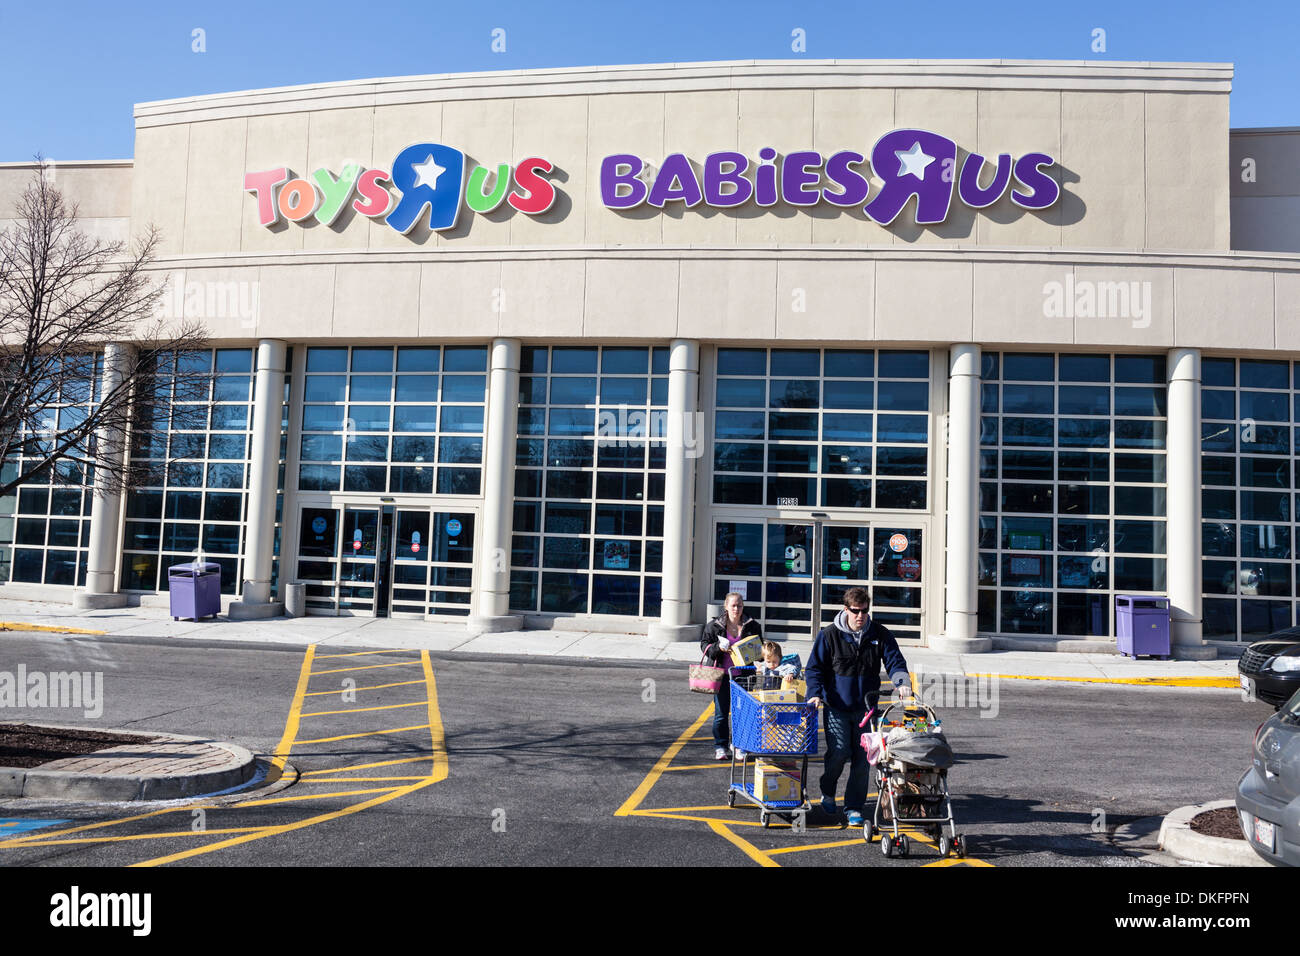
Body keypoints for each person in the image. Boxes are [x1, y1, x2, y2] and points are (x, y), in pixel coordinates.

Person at [805, 587, 911, 826]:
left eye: (864, 611)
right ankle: (828, 790)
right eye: (855, 611)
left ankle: (853, 807)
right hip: (836, 706)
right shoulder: (829, 635)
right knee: (840, 752)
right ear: (846, 610)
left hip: (867, 709)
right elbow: (814, 669)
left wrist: (902, 683)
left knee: (864, 760)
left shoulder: (879, 634)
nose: (860, 616)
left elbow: (895, 661)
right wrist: (814, 694)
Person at [700, 592, 762, 760]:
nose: (736, 608)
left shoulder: (752, 626)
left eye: (739, 605)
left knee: (741, 713)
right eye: (733, 605)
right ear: (725, 606)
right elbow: (704, 646)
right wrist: (718, 647)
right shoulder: (714, 626)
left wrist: (757, 654)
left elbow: (759, 650)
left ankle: (739, 745)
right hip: (722, 675)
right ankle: (720, 746)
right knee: (721, 713)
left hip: (743, 676)